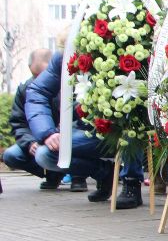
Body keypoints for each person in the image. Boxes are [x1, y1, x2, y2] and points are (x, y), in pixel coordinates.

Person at [24, 52, 115, 202]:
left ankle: (131, 183)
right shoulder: (64, 57)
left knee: (132, 132)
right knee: (44, 154)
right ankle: (105, 173)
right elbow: (37, 94)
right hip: (88, 130)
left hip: (124, 130)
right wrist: (47, 133)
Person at [3, 49, 64, 189]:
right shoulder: (25, 89)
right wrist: (30, 143)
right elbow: (18, 123)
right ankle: (52, 175)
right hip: (38, 140)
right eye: (34, 76)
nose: (38, 81)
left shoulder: (66, 86)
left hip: (62, 139)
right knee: (11, 155)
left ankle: (78, 178)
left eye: (42, 76)